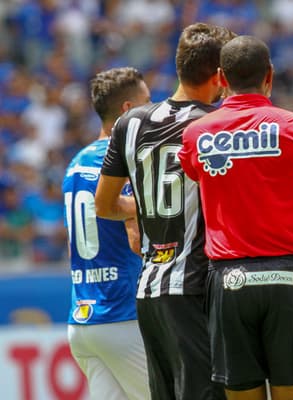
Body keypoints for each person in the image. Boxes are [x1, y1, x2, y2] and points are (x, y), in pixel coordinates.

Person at [178, 35, 293, 400]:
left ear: (221, 77)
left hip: (229, 282)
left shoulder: (195, 134)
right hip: (287, 278)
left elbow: (200, 179)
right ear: (269, 75)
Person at [94, 23, 236, 400]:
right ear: (220, 75)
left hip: (150, 289)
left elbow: (105, 205)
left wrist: (139, 210)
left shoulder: (130, 122)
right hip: (197, 286)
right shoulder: (217, 126)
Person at [62, 66, 151, 400]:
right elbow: (137, 240)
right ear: (128, 110)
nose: (153, 110)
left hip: (83, 319)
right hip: (122, 313)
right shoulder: (125, 161)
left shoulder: (76, 162)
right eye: (147, 102)